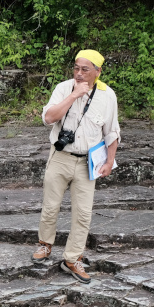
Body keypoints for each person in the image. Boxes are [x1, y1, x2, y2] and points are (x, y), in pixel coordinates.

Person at [32, 49, 120, 283]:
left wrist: (110, 161)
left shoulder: (107, 95)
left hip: (87, 162)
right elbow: (48, 118)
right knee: (50, 206)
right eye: (76, 68)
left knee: (83, 214)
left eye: (85, 70)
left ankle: (72, 259)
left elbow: (112, 132)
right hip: (61, 157)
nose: (79, 74)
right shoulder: (63, 88)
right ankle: (45, 244)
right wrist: (73, 95)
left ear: (98, 72)